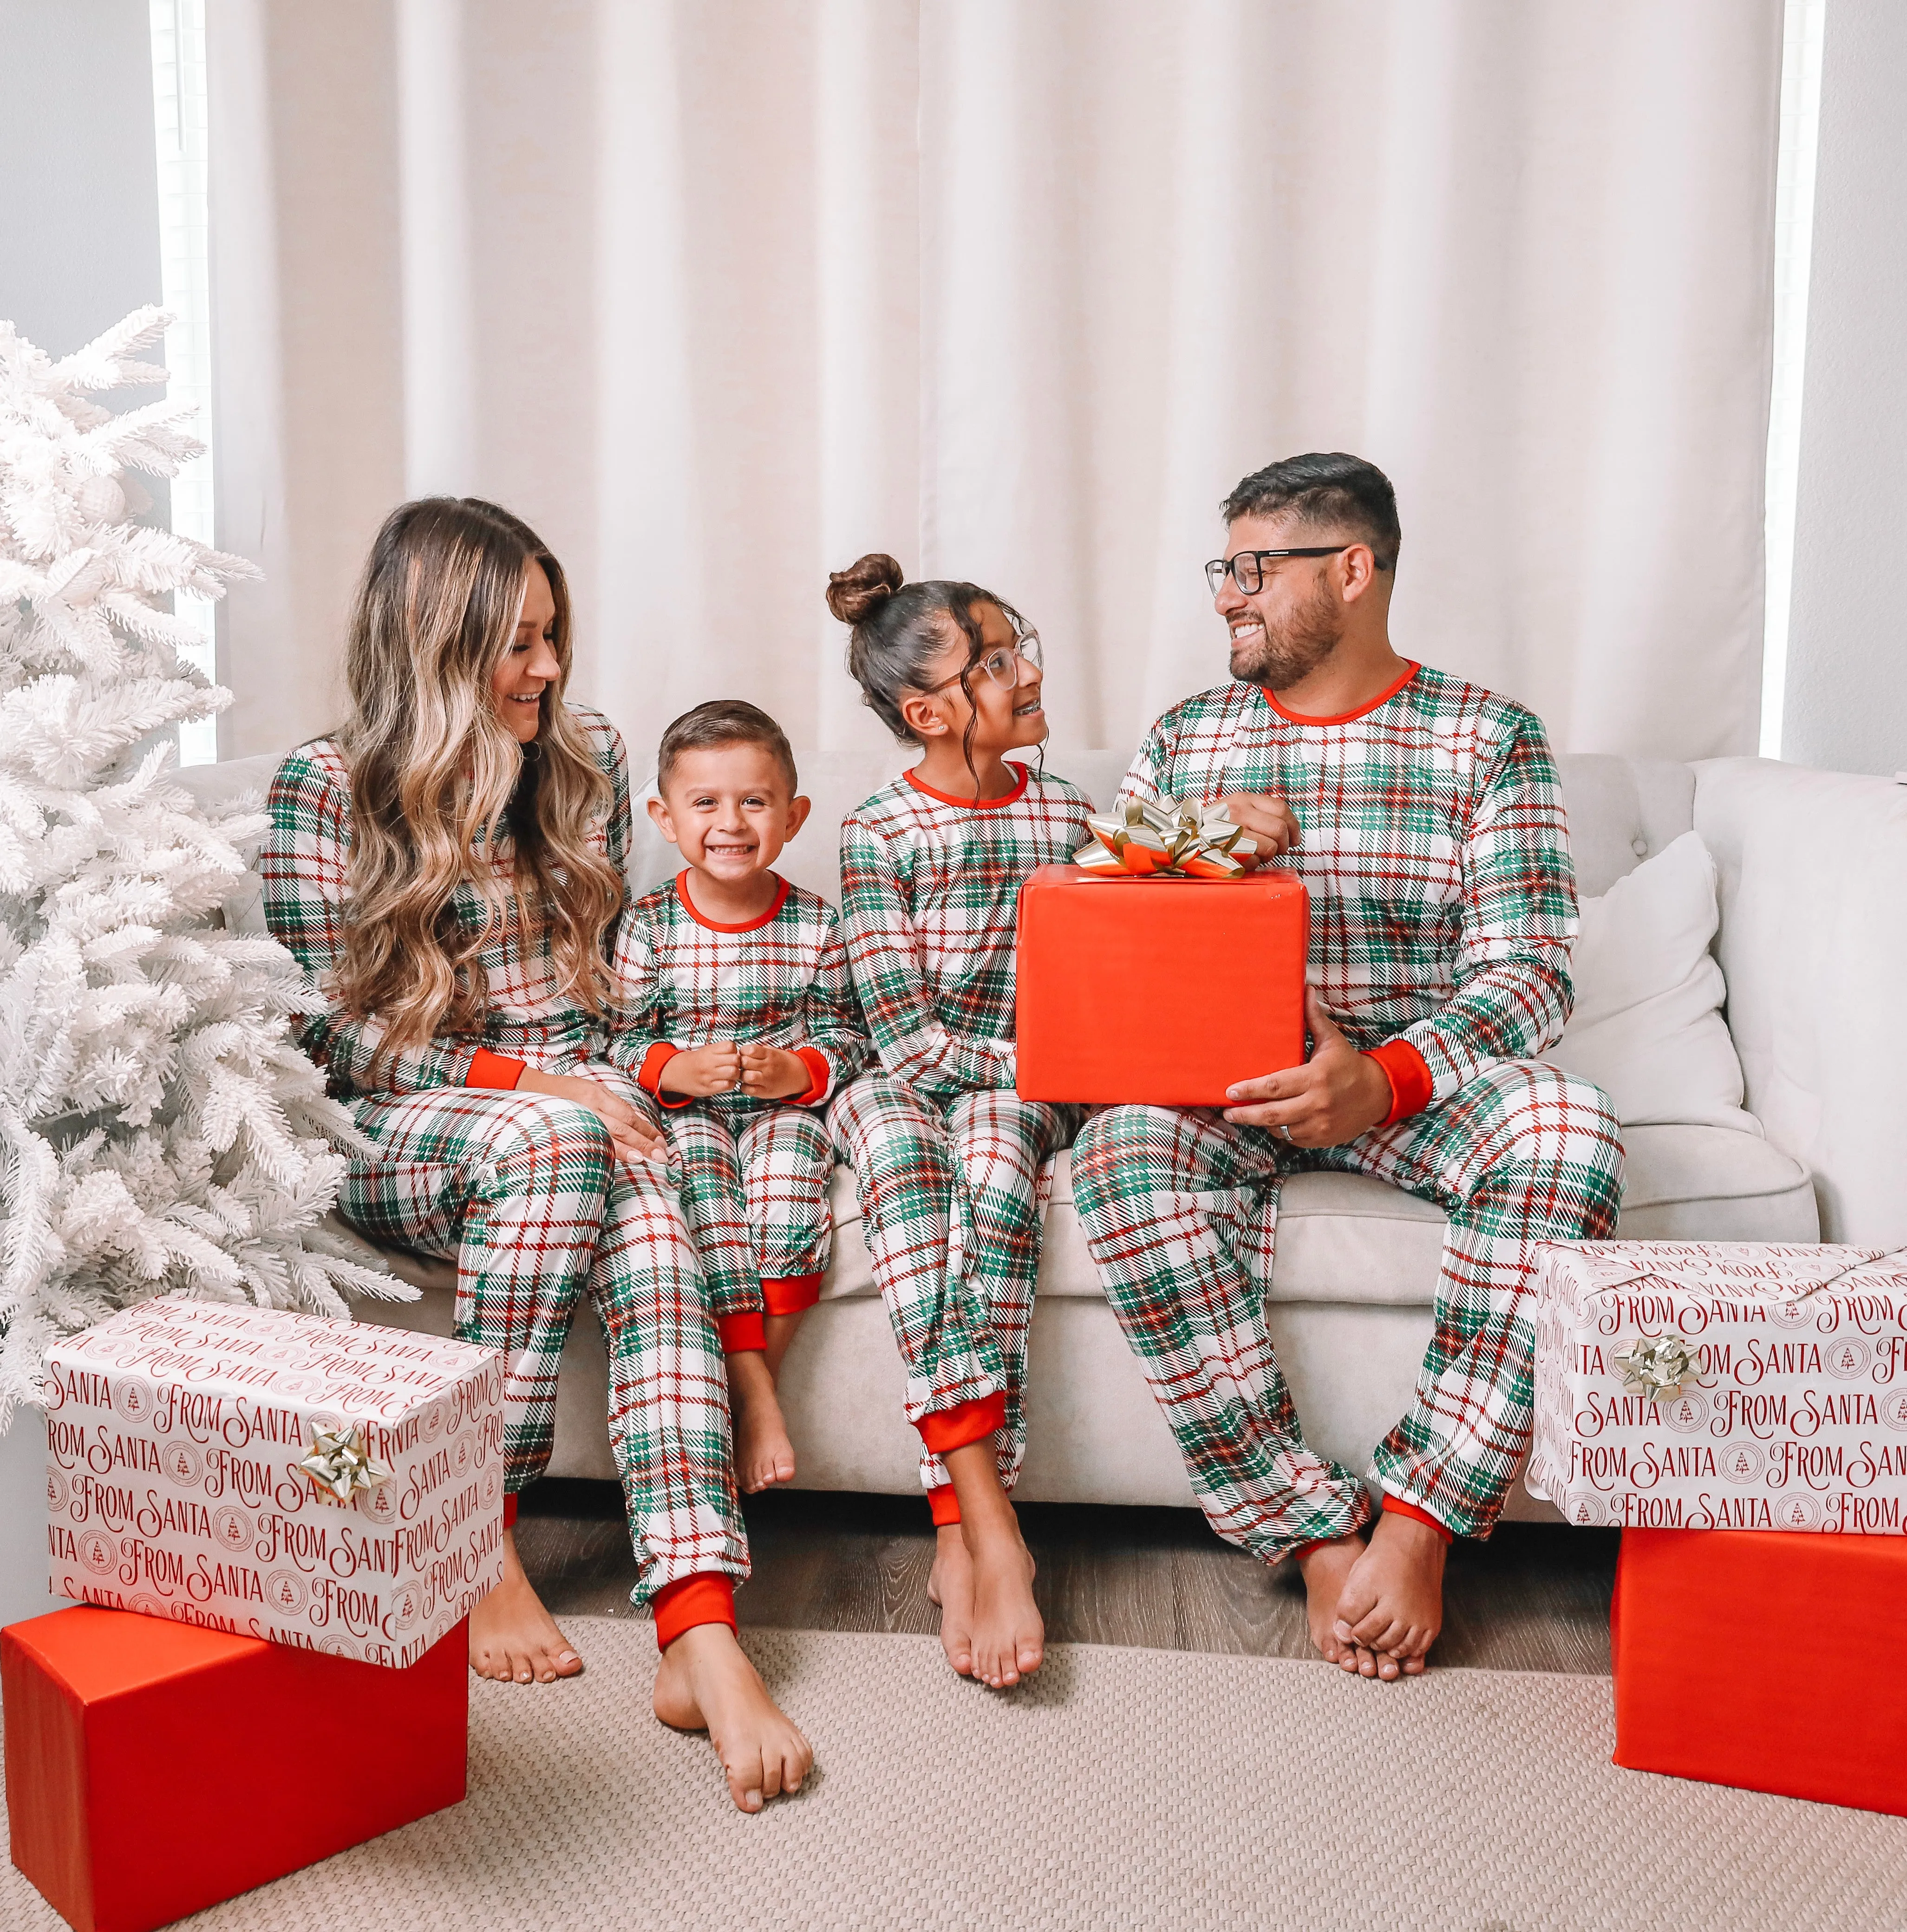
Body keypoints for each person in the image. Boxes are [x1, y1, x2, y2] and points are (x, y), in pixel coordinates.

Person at [260, 497, 810, 1812]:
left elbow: (608, 993)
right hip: (400, 1125)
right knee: (567, 1135)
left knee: (636, 1182)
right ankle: (479, 1538)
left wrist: (629, 1086)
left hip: (561, 1118)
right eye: (516, 645)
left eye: (553, 638)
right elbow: (335, 1045)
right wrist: (541, 1082)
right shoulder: (323, 786)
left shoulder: (589, 758)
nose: (550, 670)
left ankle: (700, 1627)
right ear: (432, 645)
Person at [1069, 454, 1623, 1681]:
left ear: (1353, 570)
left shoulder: (1487, 739)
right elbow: (1102, 907)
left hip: (1408, 1085)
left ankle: (1421, 1520)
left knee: (1568, 1128)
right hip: (1221, 1082)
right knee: (1116, 1153)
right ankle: (1310, 1530)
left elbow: (1531, 974)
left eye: (1253, 570)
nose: (1227, 597)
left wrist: (1385, 1078)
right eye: (1224, 570)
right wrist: (1202, 848)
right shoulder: (1189, 735)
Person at [824, 554, 1092, 1691]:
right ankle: (982, 1518)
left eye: (1017, 648)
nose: (1025, 672)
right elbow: (906, 1042)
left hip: (1024, 1087)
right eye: (993, 665)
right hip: (902, 1069)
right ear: (927, 713)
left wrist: (1051, 1070)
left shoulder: (1072, 815)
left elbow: (1102, 993)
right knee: (900, 1167)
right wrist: (1040, 1061)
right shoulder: (878, 832)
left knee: (991, 1171)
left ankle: (959, 1518)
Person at [608, 700, 867, 1494]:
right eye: (705, 803)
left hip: (782, 1115)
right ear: (663, 815)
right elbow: (615, 1038)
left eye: (754, 802)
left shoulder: (820, 926)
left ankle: (752, 1387)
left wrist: (801, 1071)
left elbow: (848, 1036)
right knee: (706, 1198)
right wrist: (670, 1069)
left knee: (791, 1195)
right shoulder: (648, 926)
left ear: (793, 816)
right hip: (690, 1118)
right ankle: (753, 1396)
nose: (730, 822)